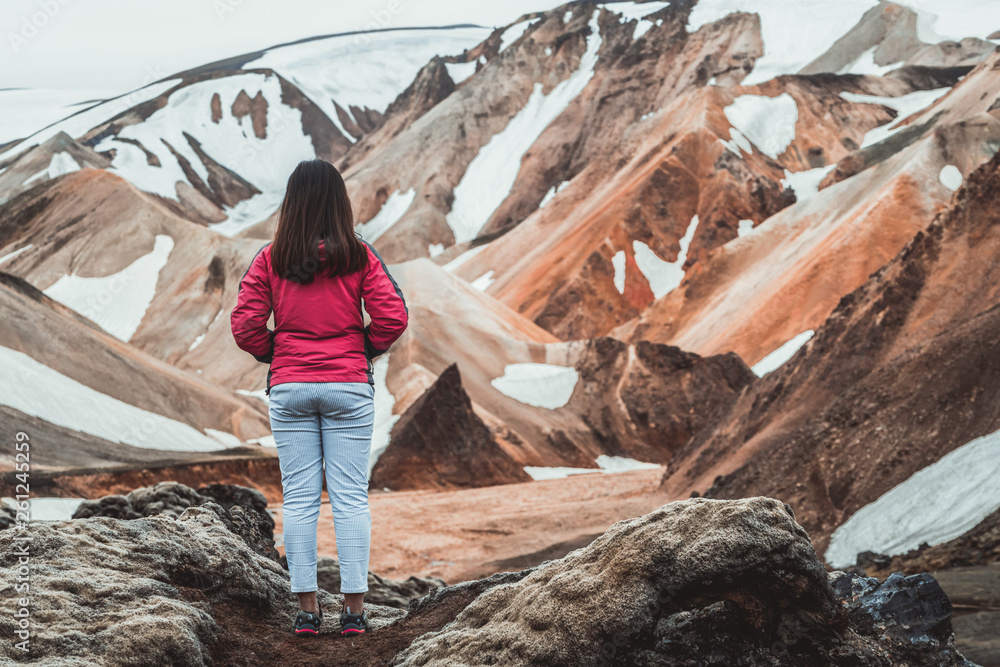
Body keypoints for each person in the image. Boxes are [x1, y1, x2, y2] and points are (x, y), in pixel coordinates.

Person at [231, 158, 408, 636]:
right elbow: (393, 317)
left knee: (300, 500)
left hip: (290, 387)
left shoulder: (271, 258)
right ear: (340, 203)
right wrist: (358, 351)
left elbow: (245, 326)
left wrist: (284, 355)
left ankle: (307, 611)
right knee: (350, 499)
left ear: (290, 204)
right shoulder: (359, 256)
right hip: (349, 385)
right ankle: (353, 613)